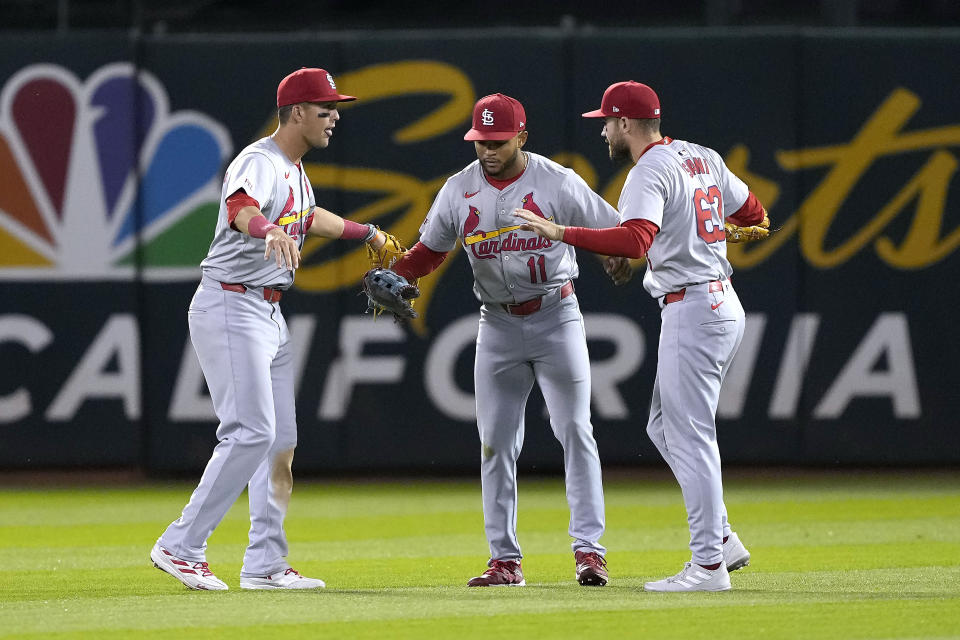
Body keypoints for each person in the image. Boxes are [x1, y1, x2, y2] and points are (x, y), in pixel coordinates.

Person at [151, 67, 397, 591]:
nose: (335, 117)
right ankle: (181, 545)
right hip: (230, 303)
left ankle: (264, 563)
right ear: (298, 112)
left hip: (269, 313)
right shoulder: (259, 161)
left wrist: (368, 232)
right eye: (326, 108)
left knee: (280, 444)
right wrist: (265, 230)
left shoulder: (296, 170)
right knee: (251, 432)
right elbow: (239, 206)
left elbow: (307, 219)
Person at [515, 81, 765, 592]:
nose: (604, 130)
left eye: (606, 122)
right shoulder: (701, 156)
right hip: (719, 300)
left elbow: (633, 240)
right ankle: (720, 539)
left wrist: (561, 232)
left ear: (626, 124)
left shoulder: (648, 169)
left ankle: (708, 568)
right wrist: (709, 233)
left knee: (691, 435)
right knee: (663, 426)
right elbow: (755, 214)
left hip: (692, 306)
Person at [390, 93, 632, 587]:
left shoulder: (556, 181)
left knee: (575, 431)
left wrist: (618, 256)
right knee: (495, 444)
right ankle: (505, 560)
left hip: (555, 314)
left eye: (498, 141)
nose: (487, 151)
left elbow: (621, 229)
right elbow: (429, 251)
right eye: (480, 141)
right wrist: (397, 274)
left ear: (521, 136)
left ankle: (589, 552)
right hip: (496, 324)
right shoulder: (459, 189)